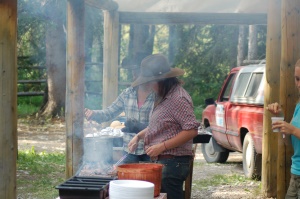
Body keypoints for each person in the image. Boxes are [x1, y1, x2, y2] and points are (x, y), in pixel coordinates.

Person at [128, 54, 200, 199]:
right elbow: (160, 125)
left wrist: (162, 146)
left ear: (162, 80)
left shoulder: (178, 98)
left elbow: (191, 130)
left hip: (173, 164)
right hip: (164, 163)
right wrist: (138, 136)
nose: (149, 87)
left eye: (151, 82)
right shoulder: (163, 96)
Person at [84, 52, 155, 164]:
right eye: (132, 71)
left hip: (152, 150)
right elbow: (109, 112)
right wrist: (94, 113)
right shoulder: (127, 93)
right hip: (130, 150)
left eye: (137, 71)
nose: (134, 75)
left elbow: (162, 124)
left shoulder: (157, 94)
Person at [267, 59, 300, 199]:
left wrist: (293, 130)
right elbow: (289, 144)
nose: (299, 84)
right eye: (297, 79)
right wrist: (280, 120)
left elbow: (294, 132)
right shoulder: (299, 106)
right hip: (296, 175)